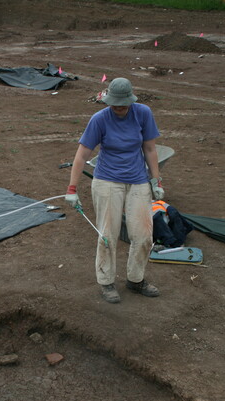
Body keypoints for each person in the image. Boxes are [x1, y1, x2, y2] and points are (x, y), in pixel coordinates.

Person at [65, 77, 164, 304]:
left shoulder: (143, 113)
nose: (118, 107)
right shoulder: (99, 119)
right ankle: (106, 281)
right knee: (107, 235)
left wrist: (156, 181)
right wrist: (72, 188)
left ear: (131, 100)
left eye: (122, 103)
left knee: (143, 235)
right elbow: (82, 155)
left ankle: (136, 279)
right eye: (114, 103)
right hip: (107, 181)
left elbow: (149, 149)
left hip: (138, 180)